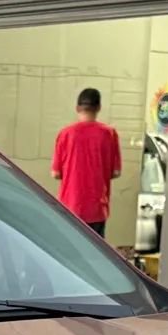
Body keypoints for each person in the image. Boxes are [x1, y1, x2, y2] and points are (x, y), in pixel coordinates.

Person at [51, 87, 123, 237]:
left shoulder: (66, 134)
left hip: (70, 206)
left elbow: (56, 174)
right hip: (97, 208)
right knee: (94, 254)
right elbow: (116, 172)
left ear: (77, 108)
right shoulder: (109, 134)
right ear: (98, 108)